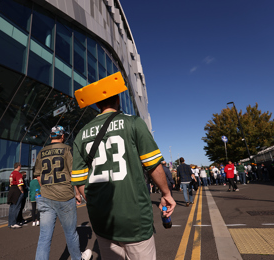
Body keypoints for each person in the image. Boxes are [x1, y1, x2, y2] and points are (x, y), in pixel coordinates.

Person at [71, 73, 175, 260]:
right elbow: (153, 166)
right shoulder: (133, 123)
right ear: (118, 99)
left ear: (96, 105)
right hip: (135, 217)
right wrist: (166, 194)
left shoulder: (81, 134)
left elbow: (79, 181)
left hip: (103, 220)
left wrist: (97, 204)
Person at [34, 126, 92, 260]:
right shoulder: (67, 150)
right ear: (62, 136)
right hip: (65, 196)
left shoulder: (41, 152)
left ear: (50, 136)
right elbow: (73, 174)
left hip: (46, 197)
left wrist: (47, 188)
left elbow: (38, 176)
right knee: (70, 234)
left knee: (44, 236)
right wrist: (77, 193)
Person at [7, 162, 24, 229]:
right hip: (17, 190)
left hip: (12, 189)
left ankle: (10, 223)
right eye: (20, 166)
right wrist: (22, 191)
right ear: (19, 166)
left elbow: (10, 183)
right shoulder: (18, 174)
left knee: (12, 207)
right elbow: (19, 183)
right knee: (16, 207)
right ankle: (14, 222)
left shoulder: (12, 173)